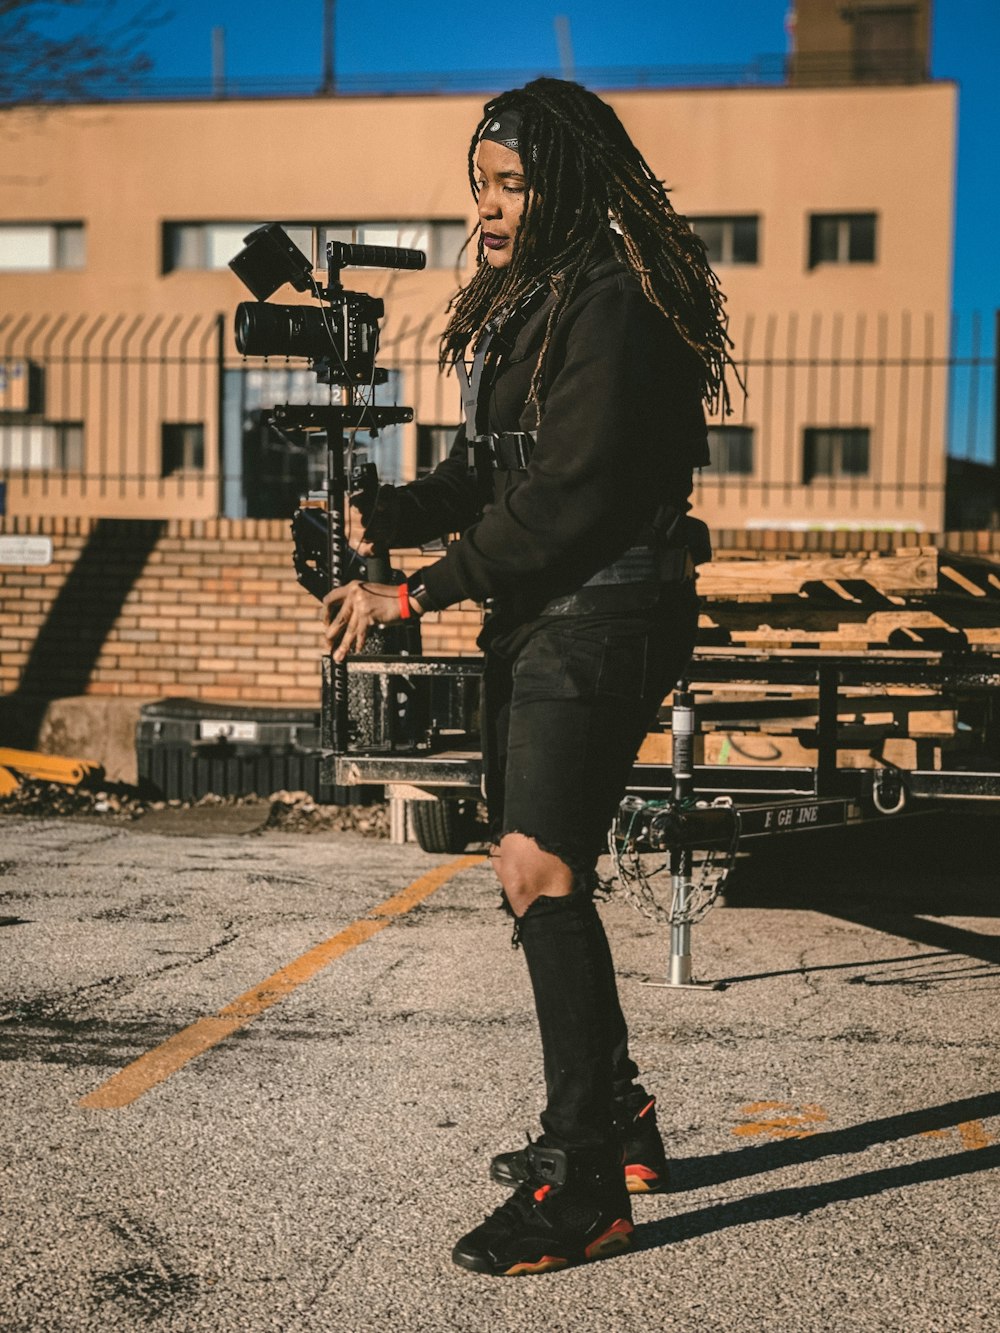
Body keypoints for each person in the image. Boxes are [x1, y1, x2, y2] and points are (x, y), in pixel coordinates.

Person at [322, 77, 732, 1277]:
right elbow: (490, 473)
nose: (490, 208)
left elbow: (574, 494)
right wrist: (389, 509)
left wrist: (416, 588)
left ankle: (583, 1181)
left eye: (512, 184)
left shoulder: (615, 301)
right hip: (541, 615)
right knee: (528, 869)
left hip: (603, 611)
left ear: (570, 183)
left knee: (537, 864)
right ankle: (622, 1117)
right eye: (479, 186)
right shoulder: (530, 301)